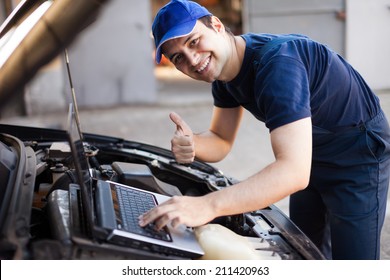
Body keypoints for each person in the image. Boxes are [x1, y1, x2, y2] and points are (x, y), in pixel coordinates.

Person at [139, 0, 390, 260]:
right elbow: (221, 140)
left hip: (358, 158)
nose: (192, 60)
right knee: (304, 250)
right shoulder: (225, 77)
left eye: (193, 42)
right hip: (310, 153)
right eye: (178, 57)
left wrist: (208, 206)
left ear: (216, 25)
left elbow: (293, 172)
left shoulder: (278, 65)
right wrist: (193, 144)